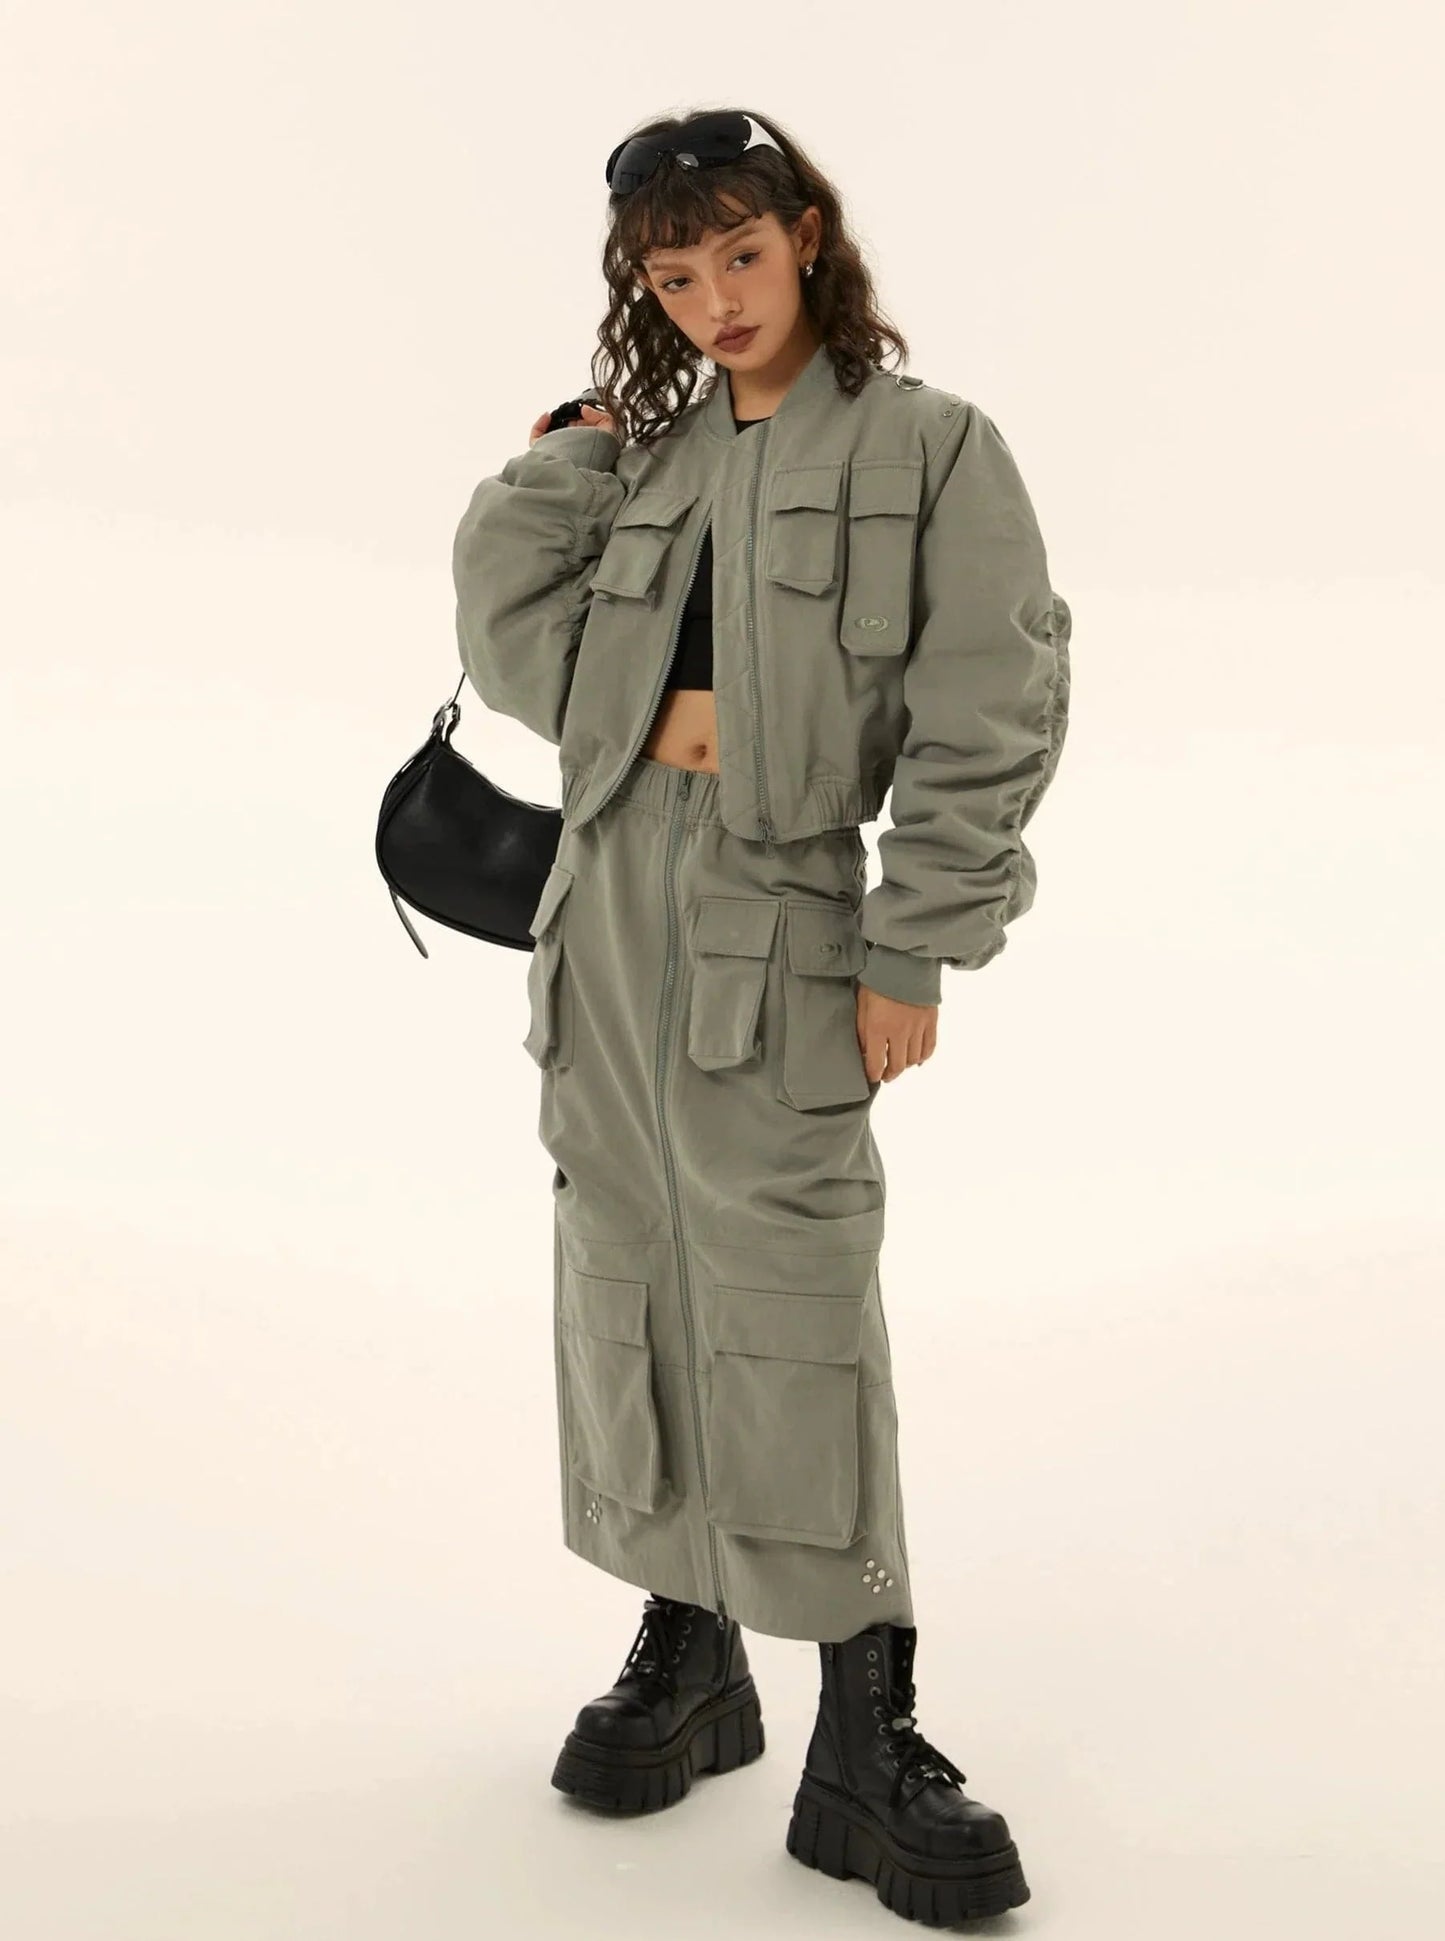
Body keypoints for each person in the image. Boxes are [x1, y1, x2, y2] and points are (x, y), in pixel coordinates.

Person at [452, 107, 1071, 1928]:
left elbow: (990, 708)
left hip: (782, 915)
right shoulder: (644, 463)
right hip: (605, 907)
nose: (715, 298)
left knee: (791, 1298)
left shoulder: (932, 448)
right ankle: (691, 1643)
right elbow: (526, 665)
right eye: (674, 274)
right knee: (628, 1269)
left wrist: (915, 942)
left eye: (738, 253)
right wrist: (560, 465)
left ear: (806, 234)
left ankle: (866, 1725)